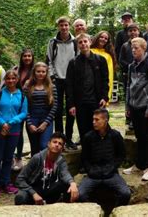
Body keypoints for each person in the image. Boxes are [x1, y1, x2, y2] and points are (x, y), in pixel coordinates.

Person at [0, 69, 28, 200]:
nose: (10, 81)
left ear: (17, 80)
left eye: (13, 79)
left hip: (14, 131)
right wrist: (3, 123)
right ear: (5, 80)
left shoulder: (22, 96)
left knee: (8, 159)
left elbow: (23, 113)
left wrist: (11, 122)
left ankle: (6, 183)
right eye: (8, 79)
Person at [123, 38, 148, 180]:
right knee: (139, 137)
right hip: (134, 106)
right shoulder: (131, 66)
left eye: (136, 48)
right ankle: (139, 165)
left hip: (146, 107)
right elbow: (128, 86)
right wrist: (127, 105)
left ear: (144, 49)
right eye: (132, 48)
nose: (133, 50)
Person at [79, 109, 131, 207]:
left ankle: (114, 212)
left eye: (97, 120)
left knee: (125, 194)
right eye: (93, 119)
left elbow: (121, 155)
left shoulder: (115, 135)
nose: (93, 122)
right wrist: (90, 170)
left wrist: (112, 167)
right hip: (93, 175)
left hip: (111, 174)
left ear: (105, 120)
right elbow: (84, 158)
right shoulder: (88, 137)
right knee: (80, 194)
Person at [15, 132, 79, 205]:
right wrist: (33, 193)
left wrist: (72, 183)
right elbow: (19, 179)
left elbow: (65, 174)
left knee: (70, 187)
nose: (57, 145)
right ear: (49, 144)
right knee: (20, 197)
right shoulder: (37, 158)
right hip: (34, 188)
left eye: (60, 143)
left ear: (62, 148)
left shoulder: (61, 160)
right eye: (54, 142)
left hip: (49, 190)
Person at [66, 33, 109, 141]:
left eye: (85, 41)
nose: (83, 44)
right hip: (80, 103)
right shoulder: (73, 63)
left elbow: (105, 81)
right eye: (80, 42)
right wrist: (71, 104)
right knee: (84, 132)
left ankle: (99, 155)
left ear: (90, 42)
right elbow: (69, 85)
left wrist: (104, 97)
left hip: (96, 101)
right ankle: (86, 156)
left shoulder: (100, 60)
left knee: (99, 130)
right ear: (77, 45)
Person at [46, 16, 77, 150]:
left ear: (69, 26)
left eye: (66, 25)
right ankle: (59, 139)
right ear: (58, 27)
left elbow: (78, 59)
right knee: (57, 111)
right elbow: (49, 61)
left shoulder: (75, 42)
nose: (64, 28)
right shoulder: (52, 43)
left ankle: (68, 138)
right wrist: (52, 77)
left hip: (71, 80)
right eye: (61, 25)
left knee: (71, 110)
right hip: (57, 80)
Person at [24, 62, 58, 156]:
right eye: (38, 71)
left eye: (43, 72)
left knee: (44, 146)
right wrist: (29, 123)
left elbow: (55, 106)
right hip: (32, 118)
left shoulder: (52, 86)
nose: (41, 74)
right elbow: (24, 105)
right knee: (34, 148)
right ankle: (35, 170)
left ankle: (46, 169)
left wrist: (46, 122)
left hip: (46, 118)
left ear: (46, 73)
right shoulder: (28, 86)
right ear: (34, 72)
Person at [12, 48, 35, 171]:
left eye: (29, 56)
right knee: (18, 131)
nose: (27, 58)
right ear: (22, 57)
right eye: (25, 56)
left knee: (31, 129)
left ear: (32, 58)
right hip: (19, 103)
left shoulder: (35, 71)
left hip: (32, 103)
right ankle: (18, 157)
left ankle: (34, 156)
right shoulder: (17, 70)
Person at [91, 31, 117, 103]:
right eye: (101, 37)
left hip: (101, 90)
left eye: (106, 38)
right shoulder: (89, 51)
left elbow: (109, 77)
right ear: (97, 37)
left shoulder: (108, 56)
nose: (103, 39)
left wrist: (107, 96)